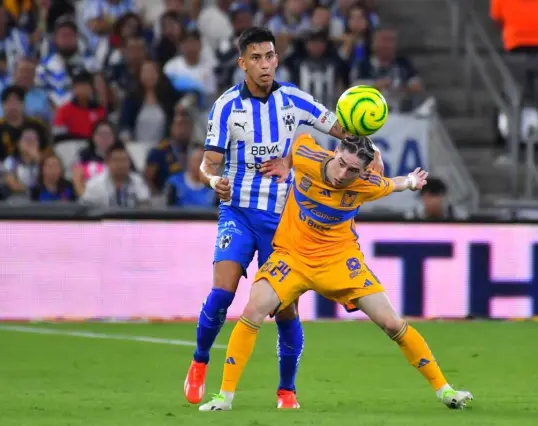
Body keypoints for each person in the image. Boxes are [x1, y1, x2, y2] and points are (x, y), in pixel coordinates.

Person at [184, 26, 384, 410]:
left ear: (277, 58)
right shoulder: (226, 106)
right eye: (256, 58)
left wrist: (369, 146)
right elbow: (206, 165)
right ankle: (199, 360)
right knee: (222, 293)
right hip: (238, 212)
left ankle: (286, 390)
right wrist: (215, 181)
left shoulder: (294, 100)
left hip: (282, 222)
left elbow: (342, 128)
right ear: (242, 63)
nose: (265, 65)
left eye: (270, 56)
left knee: (284, 308)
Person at [198, 134, 474, 411]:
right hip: (291, 257)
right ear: (335, 152)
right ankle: (225, 397)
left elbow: (395, 184)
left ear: (363, 172)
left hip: (339, 261)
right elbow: (298, 141)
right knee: (252, 311)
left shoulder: (367, 184)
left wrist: (413, 181)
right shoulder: (308, 156)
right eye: (341, 163)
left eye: (353, 170)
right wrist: (286, 164)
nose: (343, 174)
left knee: (392, 323)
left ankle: (445, 390)